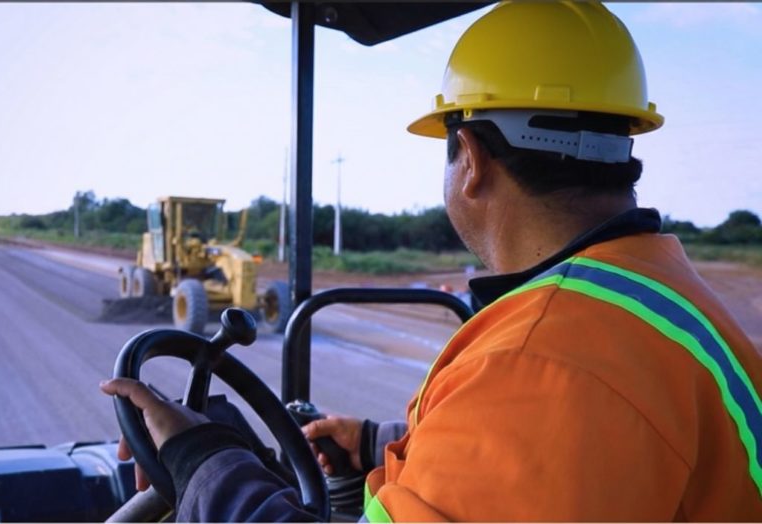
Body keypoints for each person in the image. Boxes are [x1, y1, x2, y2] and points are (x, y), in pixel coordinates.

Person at [101, 1, 762, 520]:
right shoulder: (665, 296)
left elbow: (549, 414)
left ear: (469, 159)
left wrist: (200, 458)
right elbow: (582, 453)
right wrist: (378, 441)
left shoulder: (542, 358)